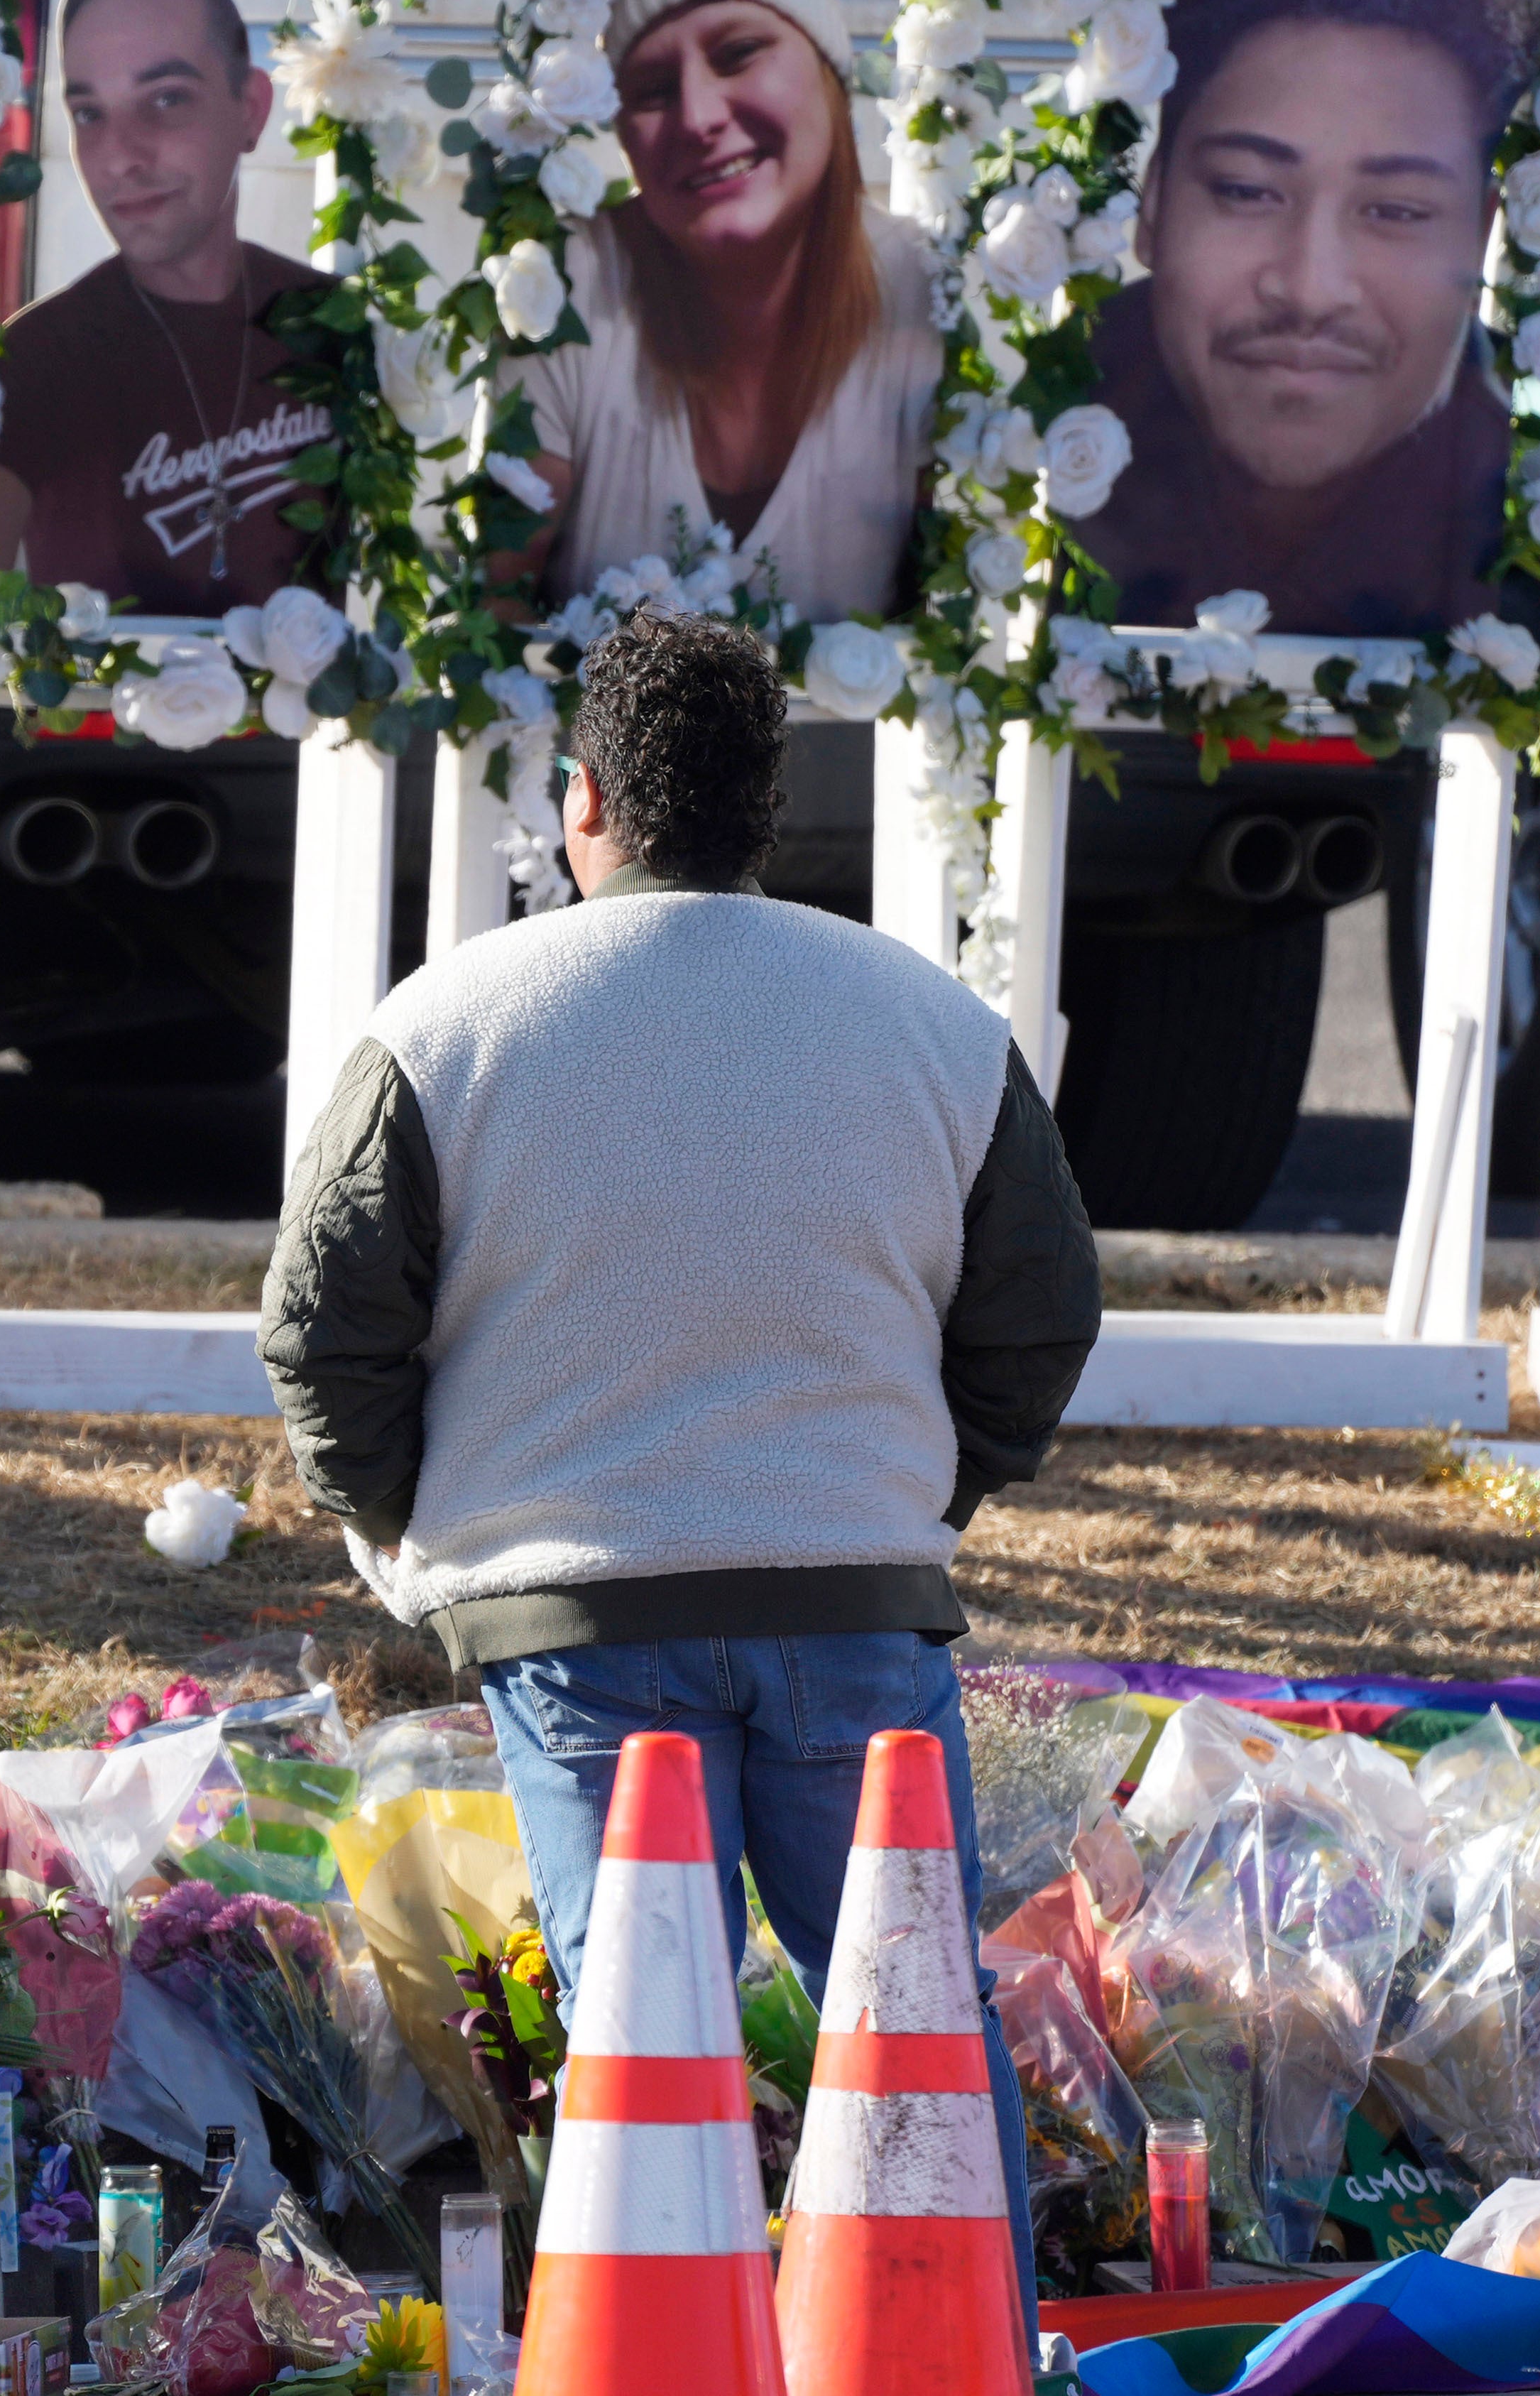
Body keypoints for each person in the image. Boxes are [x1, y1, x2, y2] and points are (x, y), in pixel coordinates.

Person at [257, 611, 1101, 2348]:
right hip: (856, 1606)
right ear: (768, 809)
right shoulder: (928, 1021)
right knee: (918, 2028)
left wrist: (415, 1526)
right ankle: (966, 2358)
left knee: (648, 2039)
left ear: (578, 801)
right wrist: (917, 1496)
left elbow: (324, 1327)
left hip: (569, 1622)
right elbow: (1041, 1309)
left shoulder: (445, 1020)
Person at [1069, 0, 1540, 636]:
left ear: (1482, 239)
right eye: (1246, 191)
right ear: (1154, 203)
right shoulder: (993, 489)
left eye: (1395, 211)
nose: (1310, 288)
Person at [502, 0, 944, 614]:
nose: (700, 117)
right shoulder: (567, 288)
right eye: (651, 91)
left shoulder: (928, 291)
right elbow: (487, 621)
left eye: (738, 54)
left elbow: (961, 640)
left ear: (831, 74)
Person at [0, 0, 330, 611]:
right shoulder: (29, 366)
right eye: (90, 114)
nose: (120, 159)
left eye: (167, 100)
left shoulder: (333, 328)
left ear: (250, 110)